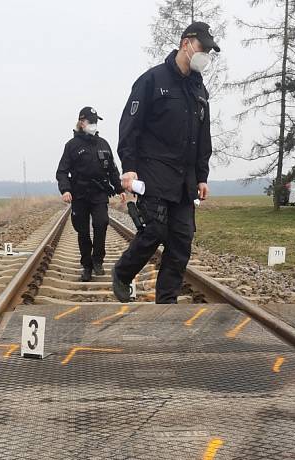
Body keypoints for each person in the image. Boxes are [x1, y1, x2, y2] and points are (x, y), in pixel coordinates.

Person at [111, 21, 218, 304]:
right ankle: (123, 272)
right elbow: (130, 126)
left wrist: (202, 176)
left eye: (209, 50)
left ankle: (166, 302)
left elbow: (202, 136)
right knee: (155, 230)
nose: (205, 54)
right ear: (186, 43)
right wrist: (129, 167)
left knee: (181, 241)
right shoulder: (152, 80)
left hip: (185, 179)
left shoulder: (199, 90)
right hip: (153, 170)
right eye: (202, 47)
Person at [56, 107, 125, 282]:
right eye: (90, 121)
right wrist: (65, 190)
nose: (93, 125)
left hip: (99, 194)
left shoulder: (103, 144)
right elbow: (62, 172)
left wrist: (119, 189)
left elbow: (112, 170)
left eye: (96, 122)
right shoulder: (71, 146)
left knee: (101, 224)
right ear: (81, 122)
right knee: (83, 231)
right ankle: (86, 266)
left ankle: (98, 261)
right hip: (79, 195)